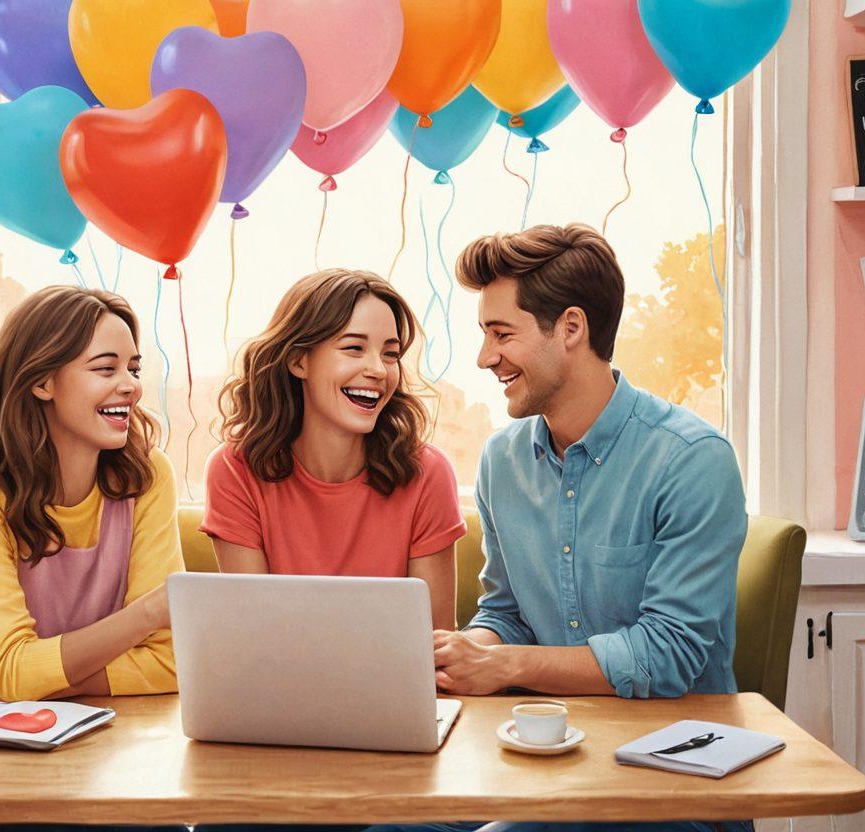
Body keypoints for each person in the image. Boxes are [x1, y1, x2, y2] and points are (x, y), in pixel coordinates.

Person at [385, 224, 751, 832]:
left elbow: (668, 656)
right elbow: (508, 612)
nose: (484, 357)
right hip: (537, 760)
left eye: (502, 334)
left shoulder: (692, 461)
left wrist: (508, 667)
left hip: (672, 780)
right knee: (393, 825)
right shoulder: (501, 462)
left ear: (571, 328)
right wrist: (465, 652)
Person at [0, 286, 185, 832]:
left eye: (133, 368)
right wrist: (145, 616)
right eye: (105, 368)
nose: (130, 385)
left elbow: (170, 663)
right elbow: (21, 670)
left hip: (84, 727)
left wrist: (5, 675)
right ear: (43, 381)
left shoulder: (147, 476)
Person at [201, 269, 466, 630]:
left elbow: (434, 641)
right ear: (299, 360)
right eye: (354, 348)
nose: (378, 369)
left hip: (393, 671)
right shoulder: (235, 470)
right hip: (275, 669)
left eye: (390, 354)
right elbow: (256, 633)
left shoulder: (427, 473)